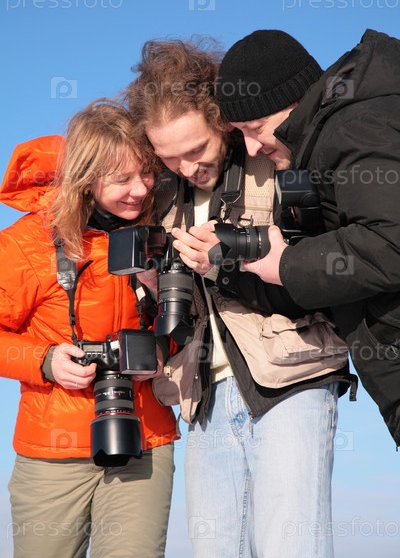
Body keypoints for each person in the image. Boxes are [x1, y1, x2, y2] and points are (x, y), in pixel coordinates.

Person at [125, 39, 356, 558]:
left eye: (195, 150)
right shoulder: (163, 196)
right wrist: (153, 290)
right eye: (169, 158)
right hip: (203, 393)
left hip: (291, 378)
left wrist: (226, 263)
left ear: (222, 121)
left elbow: (322, 278)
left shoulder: (276, 161)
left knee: (291, 547)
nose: (186, 168)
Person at [0, 99, 178, 558]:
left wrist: (164, 349)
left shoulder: (163, 231)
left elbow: (188, 321)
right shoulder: (26, 244)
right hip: (51, 451)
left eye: (147, 174)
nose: (140, 189)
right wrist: (45, 360)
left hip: (144, 438)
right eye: (121, 179)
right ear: (85, 178)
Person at [215, 28, 400, 448]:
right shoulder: (339, 132)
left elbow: (391, 243)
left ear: (295, 101)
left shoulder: (357, 127)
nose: (251, 147)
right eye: (239, 133)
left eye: (255, 127)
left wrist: (287, 263)